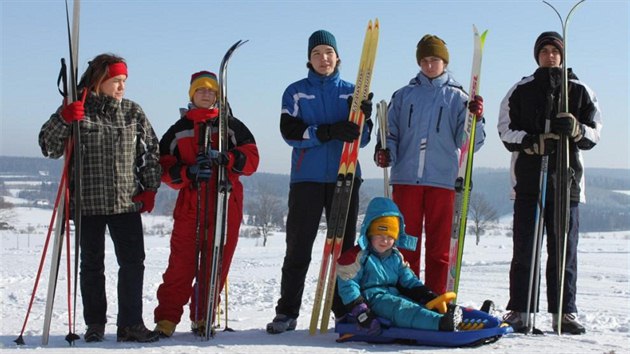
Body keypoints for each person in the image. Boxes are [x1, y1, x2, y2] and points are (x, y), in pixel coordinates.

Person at [38, 53, 161, 343]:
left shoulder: (132, 112)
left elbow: (151, 151)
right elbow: (49, 146)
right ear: (99, 81)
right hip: (87, 202)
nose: (122, 87)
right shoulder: (76, 109)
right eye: (116, 81)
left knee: (133, 263)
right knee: (92, 266)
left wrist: (150, 187)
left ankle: (130, 324)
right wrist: (63, 118)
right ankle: (95, 323)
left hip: (126, 202)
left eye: (124, 81)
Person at [267, 29, 373, 334]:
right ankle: (287, 311)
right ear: (309, 59)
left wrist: (364, 119)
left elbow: (362, 141)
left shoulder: (353, 91)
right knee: (298, 247)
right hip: (307, 180)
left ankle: (343, 310)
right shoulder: (296, 92)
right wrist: (326, 132)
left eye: (328, 52)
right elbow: (290, 132)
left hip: (345, 176)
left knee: (345, 249)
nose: (323, 59)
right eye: (317, 54)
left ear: (338, 57)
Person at [497, 31, 602, 334]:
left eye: (554, 51)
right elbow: (505, 130)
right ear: (537, 56)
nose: (549, 56)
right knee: (526, 249)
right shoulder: (521, 89)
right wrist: (532, 141)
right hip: (529, 181)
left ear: (562, 55)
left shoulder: (580, 90)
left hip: (566, 182)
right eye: (543, 51)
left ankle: (564, 312)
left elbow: (595, 132)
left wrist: (576, 128)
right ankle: (521, 311)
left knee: (563, 251)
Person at [374, 34, 485, 294]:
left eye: (434, 59)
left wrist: (476, 119)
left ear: (444, 62)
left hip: (443, 181)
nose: (429, 65)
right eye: (424, 60)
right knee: (405, 245)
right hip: (406, 180)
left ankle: (436, 299)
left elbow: (470, 143)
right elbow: (391, 134)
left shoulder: (458, 97)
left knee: (440, 247)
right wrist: (386, 153)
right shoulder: (404, 95)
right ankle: (405, 299)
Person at [153, 71, 259, 337]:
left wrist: (228, 159)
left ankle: (203, 316)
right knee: (181, 265)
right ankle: (166, 319)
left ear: (218, 95)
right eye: (200, 90)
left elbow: (252, 158)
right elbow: (163, 167)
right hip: (191, 204)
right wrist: (187, 172)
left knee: (215, 264)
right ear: (192, 94)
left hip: (225, 202)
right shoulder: (178, 130)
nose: (206, 94)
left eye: (211, 90)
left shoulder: (231, 125)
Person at [336, 197, 462, 335]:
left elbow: (408, 280)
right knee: (401, 309)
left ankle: (450, 314)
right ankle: (440, 324)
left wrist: (427, 295)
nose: (385, 240)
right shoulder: (359, 256)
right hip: (372, 300)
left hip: (392, 294)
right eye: (379, 234)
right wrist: (360, 311)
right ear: (369, 232)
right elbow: (348, 284)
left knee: (414, 304)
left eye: (390, 236)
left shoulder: (396, 256)